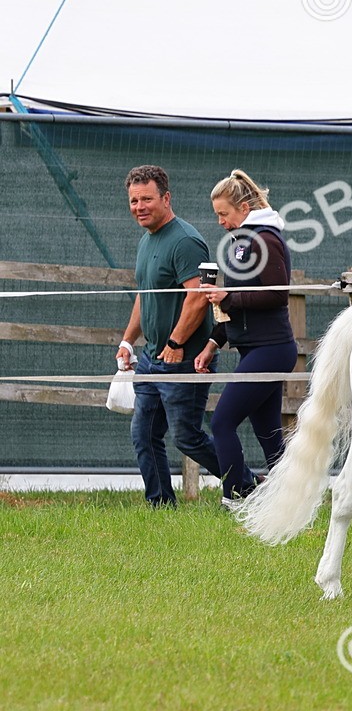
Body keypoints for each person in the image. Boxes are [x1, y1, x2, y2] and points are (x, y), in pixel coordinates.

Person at [116, 165, 222, 507]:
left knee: (188, 438)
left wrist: (176, 343)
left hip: (186, 358)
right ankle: (160, 504)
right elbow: (145, 295)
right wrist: (127, 341)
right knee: (143, 435)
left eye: (146, 199)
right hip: (151, 358)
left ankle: (248, 485)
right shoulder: (146, 240)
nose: (139, 207)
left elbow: (198, 298)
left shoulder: (185, 241)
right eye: (134, 201)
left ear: (166, 198)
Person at [194, 170, 297, 508]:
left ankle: (237, 495)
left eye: (224, 214)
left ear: (243, 208)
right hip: (256, 349)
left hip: (272, 349)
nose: (220, 222)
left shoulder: (265, 240)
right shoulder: (242, 241)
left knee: (223, 422)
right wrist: (212, 344)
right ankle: (290, 499)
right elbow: (235, 304)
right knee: (268, 433)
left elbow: (278, 295)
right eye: (217, 215)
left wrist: (228, 298)